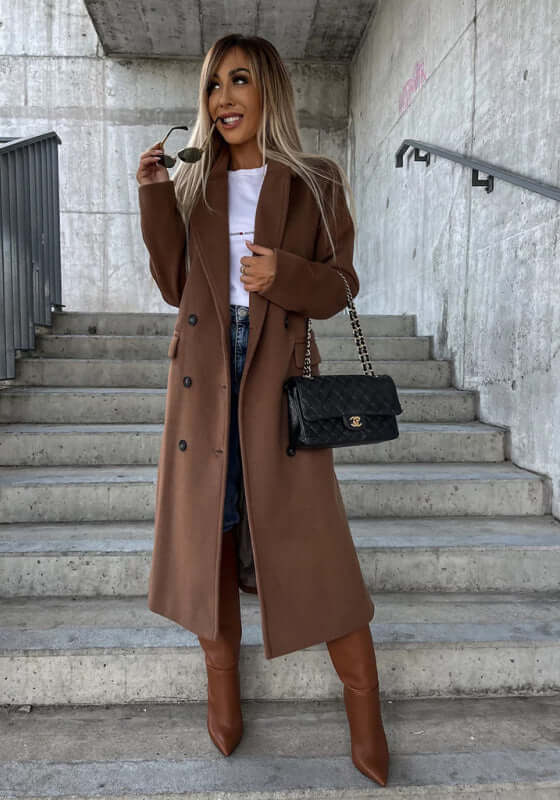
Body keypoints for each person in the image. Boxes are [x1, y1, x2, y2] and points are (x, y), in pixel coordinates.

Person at [136, 33, 389, 787]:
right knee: (211, 539)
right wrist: (154, 195)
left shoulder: (315, 179)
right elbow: (173, 284)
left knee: (317, 548)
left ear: (268, 89)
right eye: (213, 85)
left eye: (239, 80)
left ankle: (365, 710)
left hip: (278, 379)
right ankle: (222, 687)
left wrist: (286, 274)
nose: (223, 99)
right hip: (205, 377)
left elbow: (342, 283)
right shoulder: (195, 183)